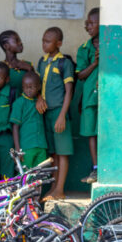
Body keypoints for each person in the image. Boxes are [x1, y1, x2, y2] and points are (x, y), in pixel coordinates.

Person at [36, 27, 74, 201]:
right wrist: (38, 98)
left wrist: (62, 115)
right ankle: (53, 188)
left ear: (58, 43)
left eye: (48, 41)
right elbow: (37, 85)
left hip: (59, 112)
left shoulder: (63, 63)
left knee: (63, 152)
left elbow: (69, 91)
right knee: (54, 154)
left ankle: (60, 189)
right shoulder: (42, 62)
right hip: (46, 113)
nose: (44, 44)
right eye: (43, 40)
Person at [76, 8, 100, 183]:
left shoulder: (113, 45)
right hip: (90, 98)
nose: (87, 26)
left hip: (107, 99)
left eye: (91, 23)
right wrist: (95, 63)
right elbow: (80, 75)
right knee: (92, 133)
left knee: (106, 132)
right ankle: (96, 168)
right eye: (87, 23)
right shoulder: (84, 49)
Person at [11, 71, 49, 169]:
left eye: (31, 87)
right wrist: (18, 149)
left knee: (40, 175)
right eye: (25, 87)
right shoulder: (19, 103)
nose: (28, 90)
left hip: (41, 145)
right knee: (26, 175)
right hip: (26, 147)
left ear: (39, 87)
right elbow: (15, 127)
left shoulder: (40, 102)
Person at [0, 30, 33, 99]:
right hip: (5, 106)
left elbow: (36, 86)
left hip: (23, 106)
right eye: (17, 41)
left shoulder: (27, 65)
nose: (20, 43)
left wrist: (30, 69)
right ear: (6, 46)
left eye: (20, 40)